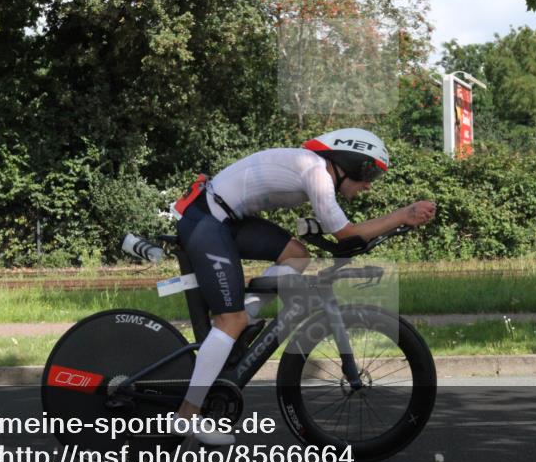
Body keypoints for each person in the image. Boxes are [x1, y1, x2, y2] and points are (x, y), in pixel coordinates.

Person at [171, 128, 436, 444]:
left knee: (296, 255)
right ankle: (187, 415)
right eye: (369, 174)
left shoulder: (315, 170)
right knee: (231, 319)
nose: (368, 185)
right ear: (349, 163)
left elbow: (333, 231)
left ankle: (241, 323)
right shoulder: (317, 173)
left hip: (224, 217)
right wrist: (403, 215)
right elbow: (346, 234)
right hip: (207, 221)